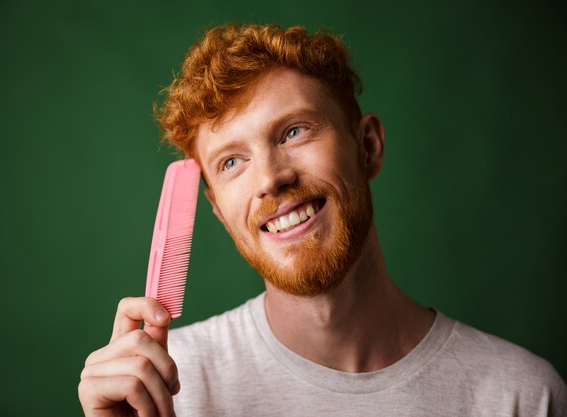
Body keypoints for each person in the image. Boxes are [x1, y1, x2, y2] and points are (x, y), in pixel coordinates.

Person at [78, 24, 567, 417]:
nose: (270, 179)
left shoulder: (521, 397)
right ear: (218, 211)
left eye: (293, 132)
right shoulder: (162, 388)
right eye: (232, 162)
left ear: (367, 146)